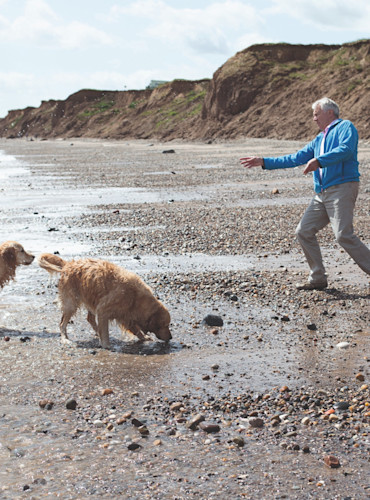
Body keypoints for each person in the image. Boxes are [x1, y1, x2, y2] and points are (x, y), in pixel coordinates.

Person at [240, 97, 370, 290]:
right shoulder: (319, 139)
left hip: (342, 187)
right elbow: (296, 158)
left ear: (329, 112)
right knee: (303, 231)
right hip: (322, 193)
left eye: (316, 114)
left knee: (343, 235)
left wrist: (319, 160)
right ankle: (318, 278)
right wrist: (264, 162)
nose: (314, 119)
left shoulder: (345, 127)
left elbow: (346, 150)